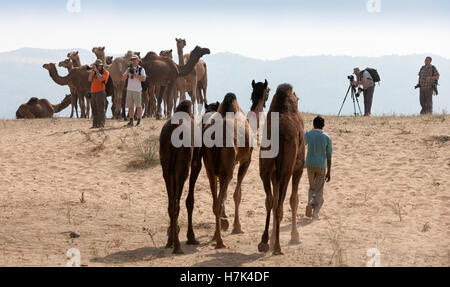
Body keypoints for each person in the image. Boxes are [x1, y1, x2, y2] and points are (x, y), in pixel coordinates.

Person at [304, 116, 332, 220]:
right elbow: (329, 156)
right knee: (319, 190)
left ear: (313, 124)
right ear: (323, 125)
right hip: (321, 165)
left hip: (310, 164)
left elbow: (302, 143)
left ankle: (310, 204)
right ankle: (315, 212)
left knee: (312, 187)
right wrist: (329, 172)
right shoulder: (327, 137)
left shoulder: (308, 134)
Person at [122, 54, 146, 127]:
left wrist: (135, 75)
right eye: (132, 60)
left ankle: (138, 121)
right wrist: (128, 72)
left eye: (135, 59)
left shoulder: (141, 69)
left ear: (138, 61)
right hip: (129, 90)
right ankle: (131, 121)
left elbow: (144, 79)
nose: (134, 61)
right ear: (131, 61)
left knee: (138, 106)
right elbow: (123, 78)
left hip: (137, 90)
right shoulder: (128, 69)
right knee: (130, 106)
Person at [88, 59, 110, 128]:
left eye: (97, 66)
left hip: (100, 92)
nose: (97, 67)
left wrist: (97, 71)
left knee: (100, 109)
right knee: (94, 109)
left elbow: (102, 79)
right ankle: (95, 125)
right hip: (93, 92)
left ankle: (101, 124)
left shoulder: (105, 72)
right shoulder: (94, 73)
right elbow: (89, 79)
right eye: (96, 66)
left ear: (101, 66)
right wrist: (92, 71)